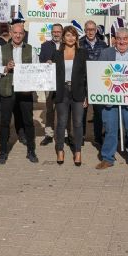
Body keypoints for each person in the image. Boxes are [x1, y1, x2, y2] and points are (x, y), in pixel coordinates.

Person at [95, 27, 128, 172]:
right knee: (110, 129)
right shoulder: (106, 53)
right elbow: (99, 74)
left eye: (125, 39)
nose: (122, 41)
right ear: (114, 40)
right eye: (119, 38)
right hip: (110, 100)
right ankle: (107, 158)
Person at [0, 22, 40, 165]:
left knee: (28, 121)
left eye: (20, 33)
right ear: (11, 33)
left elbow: (37, 68)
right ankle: (3, 151)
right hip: (9, 89)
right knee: (5, 122)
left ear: (24, 35)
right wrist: (6, 68)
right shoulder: (2, 49)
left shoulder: (31, 50)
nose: (18, 35)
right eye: (15, 33)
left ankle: (31, 150)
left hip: (25, 90)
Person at [51, 26, 88, 166]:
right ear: (63, 38)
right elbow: (51, 74)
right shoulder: (57, 54)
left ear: (76, 38)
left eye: (73, 35)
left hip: (78, 91)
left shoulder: (82, 53)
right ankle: (60, 150)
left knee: (78, 123)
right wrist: (49, 65)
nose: (71, 38)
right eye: (68, 35)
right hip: (62, 91)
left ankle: (77, 151)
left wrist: (87, 95)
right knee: (61, 123)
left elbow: (87, 76)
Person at [80, 19, 108, 147]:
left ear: (96, 30)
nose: (90, 32)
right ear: (85, 30)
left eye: (93, 29)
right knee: (82, 111)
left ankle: (98, 136)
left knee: (98, 112)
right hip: (83, 81)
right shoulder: (78, 43)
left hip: (99, 82)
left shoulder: (103, 45)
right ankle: (81, 136)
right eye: (88, 30)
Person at [38, 23, 63, 146]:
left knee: (64, 109)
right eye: (54, 31)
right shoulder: (45, 45)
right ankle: (49, 134)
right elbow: (40, 61)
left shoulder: (67, 45)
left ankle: (65, 134)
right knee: (49, 109)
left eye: (58, 31)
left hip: (63, 82)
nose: (56, 33)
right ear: (51, 32)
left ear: (62, 32)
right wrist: (45, 62)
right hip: (49, 82)